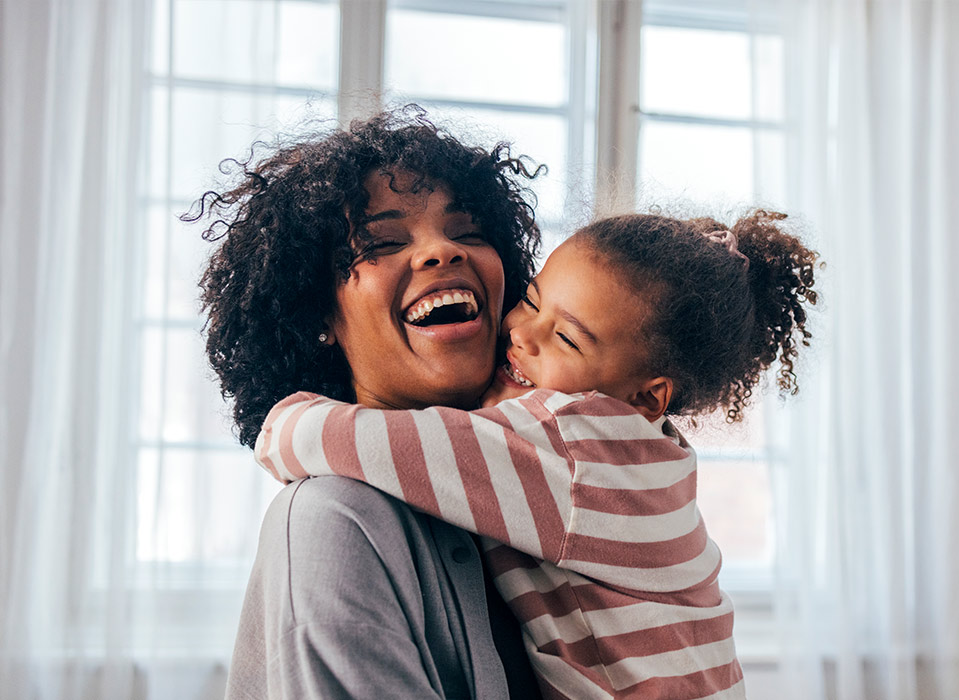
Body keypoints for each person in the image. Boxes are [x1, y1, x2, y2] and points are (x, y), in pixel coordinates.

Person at [254, 210, 820, 698]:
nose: (522, 334)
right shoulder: (643, 453)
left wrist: (283, 422)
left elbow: (360, 442)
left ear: (646, 397)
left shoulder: (573, 448)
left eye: (567, 340)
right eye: (531, 300)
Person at [188, 106, 546, 699]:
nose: (442, 252)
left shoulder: (537, 486)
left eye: (468, 232)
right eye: (380, 241)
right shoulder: (332, 520)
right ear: (319, 314)